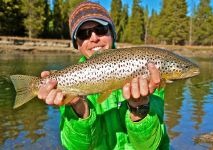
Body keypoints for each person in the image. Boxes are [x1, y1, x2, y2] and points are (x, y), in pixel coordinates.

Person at [38, 1, 170, 150]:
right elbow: (77, 147)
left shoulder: (151, 77)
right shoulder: (71, 83)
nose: (94, 38)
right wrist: (79, 107)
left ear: (112, 33)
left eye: (100, 29)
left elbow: (150, 147)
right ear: (77, 44)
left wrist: (139, 108)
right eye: (83, 34)